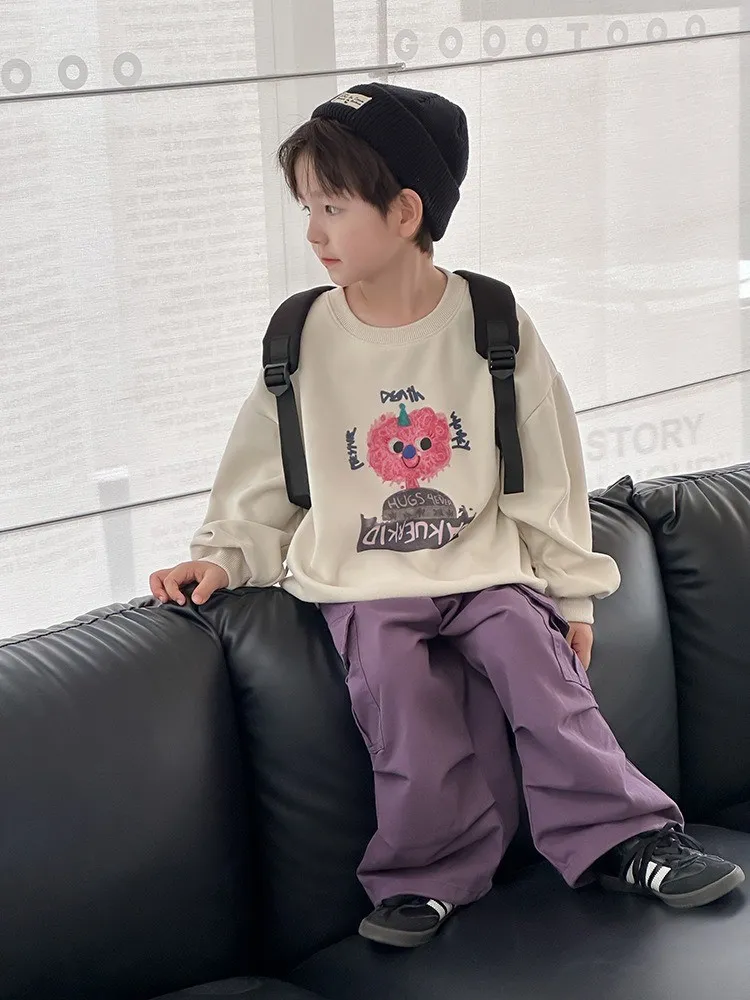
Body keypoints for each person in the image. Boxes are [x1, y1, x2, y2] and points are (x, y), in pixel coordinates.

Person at [149, 82, 744, 949]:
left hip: (486, 565)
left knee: (540, 675)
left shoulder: (492, 322)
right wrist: (223, 555)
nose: (312, 232)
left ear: (405, 211)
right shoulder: (301, 337)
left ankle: (627, 837)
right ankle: (425, 877)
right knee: (402, 704)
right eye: (306, 208)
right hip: (363, 578)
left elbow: (548, 471)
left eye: (332, 207)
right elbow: (264, 475)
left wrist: (570, 596)